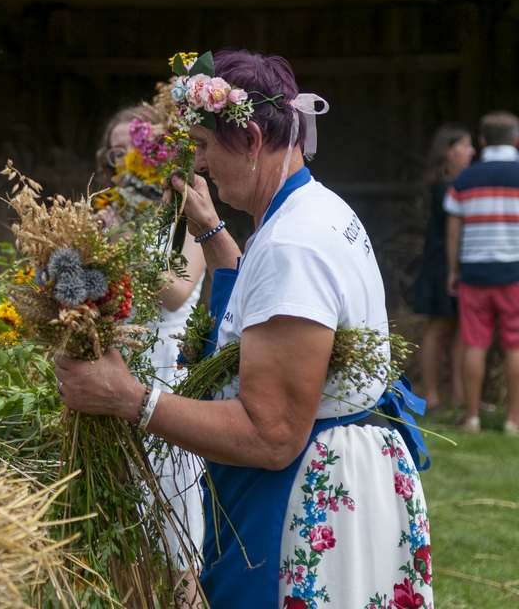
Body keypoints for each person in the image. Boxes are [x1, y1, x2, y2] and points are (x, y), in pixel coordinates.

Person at [55, 50, 433, 608]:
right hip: (344, 468)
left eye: (204, 145)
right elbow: (265, 304)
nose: (200, 164)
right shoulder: (315, 206)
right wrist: (211, 232)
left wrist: (128, 398)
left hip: (303, 495)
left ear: (251, 139)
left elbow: (271, 434)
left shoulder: (293, 245)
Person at [95, 106, 208, 599]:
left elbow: (175, 292)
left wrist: (120, 240)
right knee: (128, 532)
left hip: (168, 379)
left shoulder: (192, 219)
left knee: (176, 528)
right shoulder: (106, 214)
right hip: (116, 372)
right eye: (116, 154)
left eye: (135, 154)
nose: (126, 165)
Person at [445, 110, 519, 436]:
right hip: (515, 272)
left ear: (483, 141)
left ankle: (472, 418)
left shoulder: (464, 179)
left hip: (474, 273)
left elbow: (453, 231)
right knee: (515, 346)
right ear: (516, 139)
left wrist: (453, 269)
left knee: (474, 343)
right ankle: (513, 421)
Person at [413, 124, 475, 411]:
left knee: (459, 327)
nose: (471, 152)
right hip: (441, 266)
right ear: (449, 151)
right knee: (439, 327)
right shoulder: (445, 188)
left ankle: (460, 394)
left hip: (455, 265)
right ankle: (431, 395)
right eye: (465, 145)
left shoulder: (456, 185)